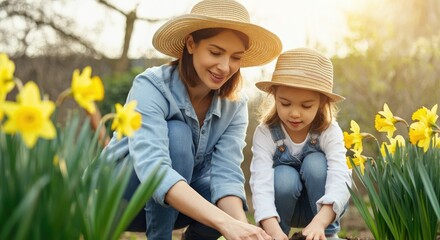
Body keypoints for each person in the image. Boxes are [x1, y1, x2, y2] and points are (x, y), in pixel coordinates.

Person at [101, 0, 282, 239]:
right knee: (177, 133)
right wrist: (225, 223)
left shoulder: (235, 105)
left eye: (236, 57)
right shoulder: (150, 86)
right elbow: (154, 169)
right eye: (215, 52)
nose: (225, 67)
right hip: (116, 199)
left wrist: (243, 228)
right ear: (191, 44)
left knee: (216, 193)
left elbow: (226, 175)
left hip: (177, 205)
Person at [249, 48, 352, 240]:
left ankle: (328, 237)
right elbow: (260, 184)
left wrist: (320, 223)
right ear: (274, 96)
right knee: (283, 176)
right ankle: (280, 234)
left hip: (324, 213)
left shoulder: (329, 131)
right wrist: (273, 232)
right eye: (285, 104)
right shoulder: (266, 133)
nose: (295, 113)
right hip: (283, 211)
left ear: (321, 103)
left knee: (315, 163)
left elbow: (340, 178)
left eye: (306, 106)